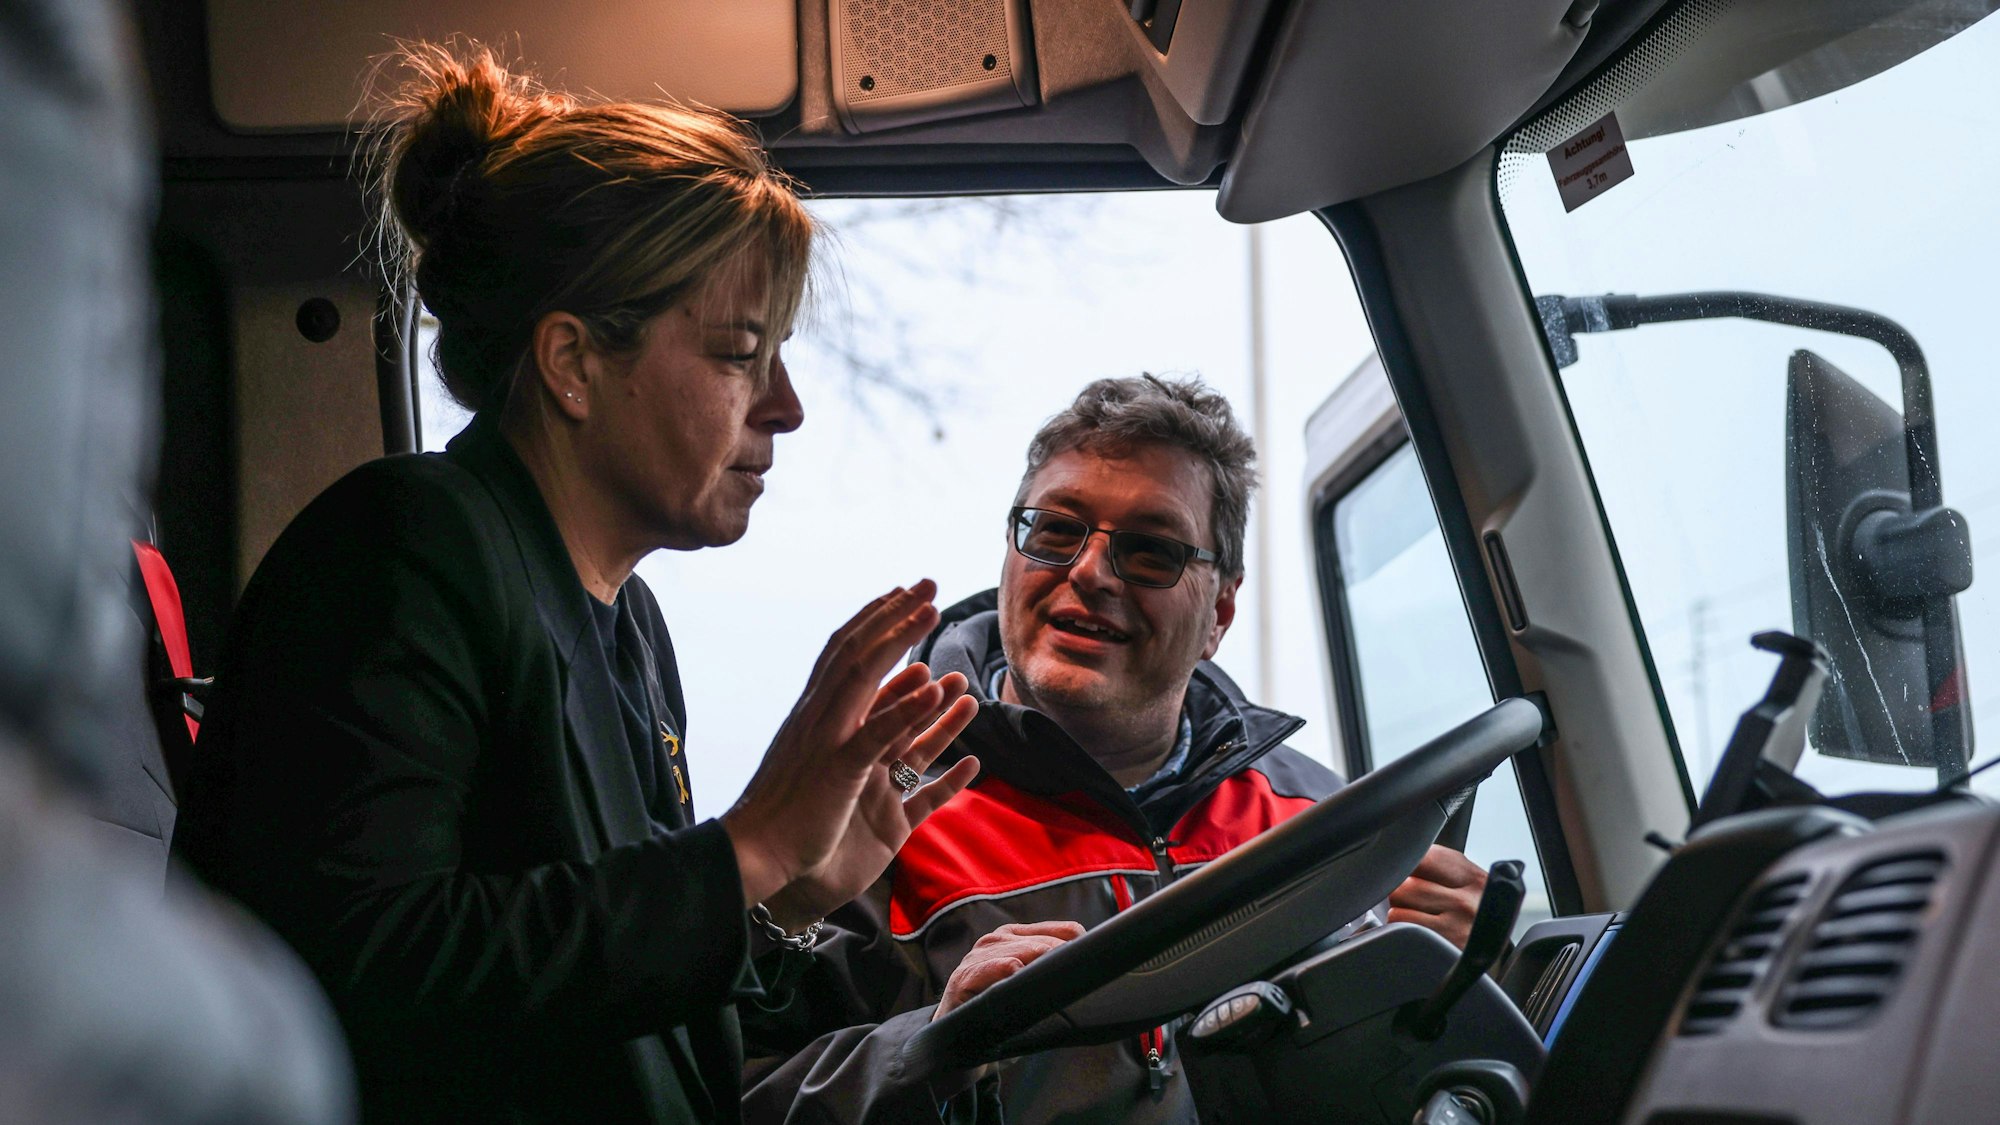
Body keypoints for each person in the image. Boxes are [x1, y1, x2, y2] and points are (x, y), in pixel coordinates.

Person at [173, 44, 981, 1124]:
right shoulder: (404, 547)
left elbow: (595, 978)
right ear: (571, 363)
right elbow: (360, 964)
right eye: (741, 354)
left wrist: (786, 896)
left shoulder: (626, 622)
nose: (783, 405)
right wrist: (744, 849)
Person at [741, 375, 1491, 1123]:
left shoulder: (1323, 819)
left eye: (1151, 551)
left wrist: (1472, 976)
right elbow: (728, 1091)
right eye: (1056, 530)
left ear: (1221, 610)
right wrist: (937, 1047)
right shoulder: (870, 807)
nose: (1090, 572)